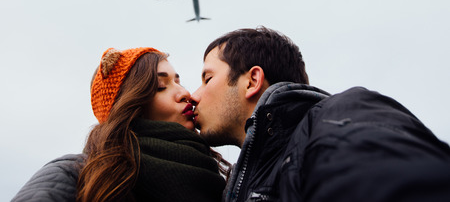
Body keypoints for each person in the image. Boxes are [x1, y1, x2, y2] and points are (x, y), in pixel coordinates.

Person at [191, 26, 450, 202]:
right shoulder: (251, 176)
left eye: (208, 78)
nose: (194, 95)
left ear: (252, 81)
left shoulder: (335, 121)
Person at [12, 47, 227, 202]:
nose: (185, 93)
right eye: (161, 86)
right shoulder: (81, 176)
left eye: (178, 82)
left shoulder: (221, 181)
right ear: (132, 105)